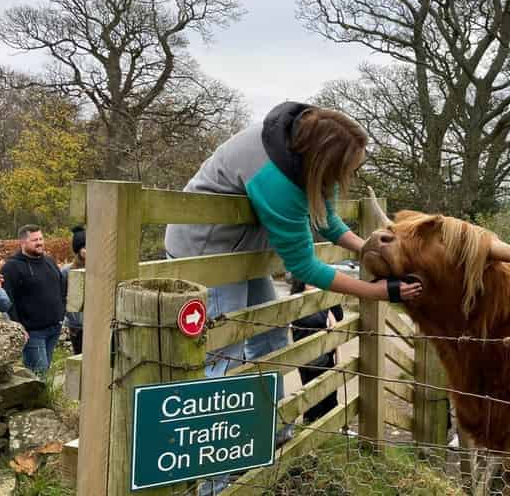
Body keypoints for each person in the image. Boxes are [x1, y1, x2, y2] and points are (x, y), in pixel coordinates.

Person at [164, 102, 422, 484]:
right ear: (325, 159)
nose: (347, 178)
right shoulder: (277, 179)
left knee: (269, 336)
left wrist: (366, 249)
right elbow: (304, 267)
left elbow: (328, 221)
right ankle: (214, 479)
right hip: (206, 252)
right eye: (344, 170)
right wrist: (374, 291)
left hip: (244, 253)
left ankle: (269, 437)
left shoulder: (303, 153)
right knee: (224, 359)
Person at [1, 225, 67, 375]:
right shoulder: (12, 267)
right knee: (38, 374)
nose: (40, 243)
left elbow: (61, 287)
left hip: (54, 328)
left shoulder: (49, 261)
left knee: (46, 370)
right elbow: (6, 299)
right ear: (23, 242)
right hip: (33, 332)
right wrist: (18, 326)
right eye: (34, 240)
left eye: (41, 238)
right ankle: (36, 398)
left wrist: (61, 312)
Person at [289, 277, 343, 425]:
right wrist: (327, 318)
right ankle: (311, 425)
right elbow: (312, 321)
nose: (313, 283)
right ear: (300, 283)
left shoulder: (323, 300)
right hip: (308, 357)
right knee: (313, 397)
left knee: (331, 394)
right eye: (309, 281)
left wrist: (330, 296)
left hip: (327, 353)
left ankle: (333, 426)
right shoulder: (297, 302)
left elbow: (339, 316)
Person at [61, 226, 86, 355]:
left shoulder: (100, 269)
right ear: (78, 250)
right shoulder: (67, 271)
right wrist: (70, 317)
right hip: (77, 326)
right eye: (85, 247)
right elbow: (61, 295)